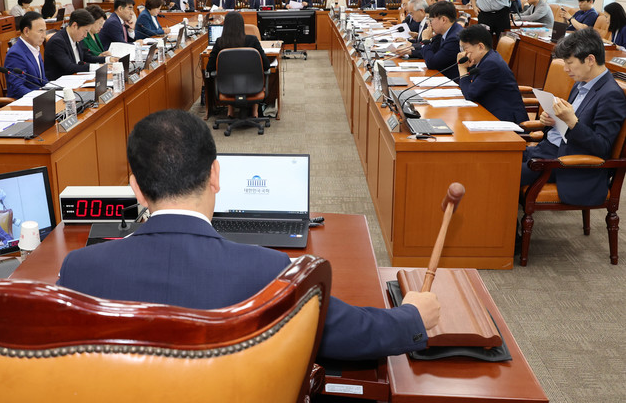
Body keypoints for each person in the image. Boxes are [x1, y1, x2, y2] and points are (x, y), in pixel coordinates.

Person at [58, 109, 440, 361]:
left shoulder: (78, 270)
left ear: (136, 190)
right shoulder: (270, 271)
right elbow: (351, 333)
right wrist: (412, 317)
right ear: (215, 175)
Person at [520, 29, 626, 206]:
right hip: (546, 149)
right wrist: (553, 122)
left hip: (565, 162)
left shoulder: (611, 95)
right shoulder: (580, 83)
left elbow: (602, 147)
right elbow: (570, 126)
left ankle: (502, 222)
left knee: (503, 171)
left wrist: (571, 122)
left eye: (569, 63)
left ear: (590, 60)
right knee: (498, 157)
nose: (565, 69)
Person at [456, 25, 528, 124]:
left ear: (480, 47)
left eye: (465, 49)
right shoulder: (487, 58)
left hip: (506, 121)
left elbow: (470, 94)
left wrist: (462, 68)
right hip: (490, 112)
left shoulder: (491, 64)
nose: (463, 54)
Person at [205, 12, 269, 118]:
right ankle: (255, 112)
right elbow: (266, 65)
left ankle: (230, 111)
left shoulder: (220, 42)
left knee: (231, 74)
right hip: (253, 85)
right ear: (242, 25)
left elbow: (209, 67)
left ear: (225, 26)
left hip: (227, 87)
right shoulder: (252, 40)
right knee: (253, 73)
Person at [45, 9, 108, 81]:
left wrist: (107, 59)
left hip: (78, 78)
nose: (85, 35)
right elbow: (69, 67)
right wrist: (97, 67)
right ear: (74, 25)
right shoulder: (57, 42)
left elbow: (86, 57)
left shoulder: (77, 37)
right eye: (85, 31)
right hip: (62, 83)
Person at [4, 11, 48, 98]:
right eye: (40, 31)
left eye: (45, 31)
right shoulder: (15, 54)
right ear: (26, 31)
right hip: (26, 101)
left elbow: (42, 81)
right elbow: (17, 88)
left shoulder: (34, 48)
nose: (44, 35)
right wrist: (40, 97)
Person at [421, 1, 464, 80]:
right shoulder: (446, 32)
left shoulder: (454, 39)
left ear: (444, 20)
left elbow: (432, 63)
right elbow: (433, 53)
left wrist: (425, 41)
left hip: (452, 81)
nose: (429, 24)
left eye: (431, 20)